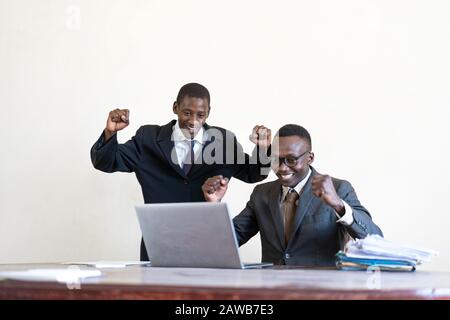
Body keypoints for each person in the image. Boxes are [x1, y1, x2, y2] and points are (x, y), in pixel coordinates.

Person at [91, 83, 271, 261]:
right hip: (158, 244)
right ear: (175, 107)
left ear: (208, 113)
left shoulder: (224, 141)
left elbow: (253, 173)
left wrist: (263, 148)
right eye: (187, 113)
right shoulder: (148, 138)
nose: (193, 121)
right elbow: (107, 162)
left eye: (201, 115)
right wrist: (110, 132)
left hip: (206, 243)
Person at [202, 124, 383, 266]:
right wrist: (214, 205)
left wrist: (338, 204)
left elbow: (375, 240)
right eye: (275, 159)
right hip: (272, 291)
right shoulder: (262, 194)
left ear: (310, 158)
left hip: (322, 292)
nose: (281, 168)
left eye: (291, 160)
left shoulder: (338, 189)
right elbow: (226, 243)